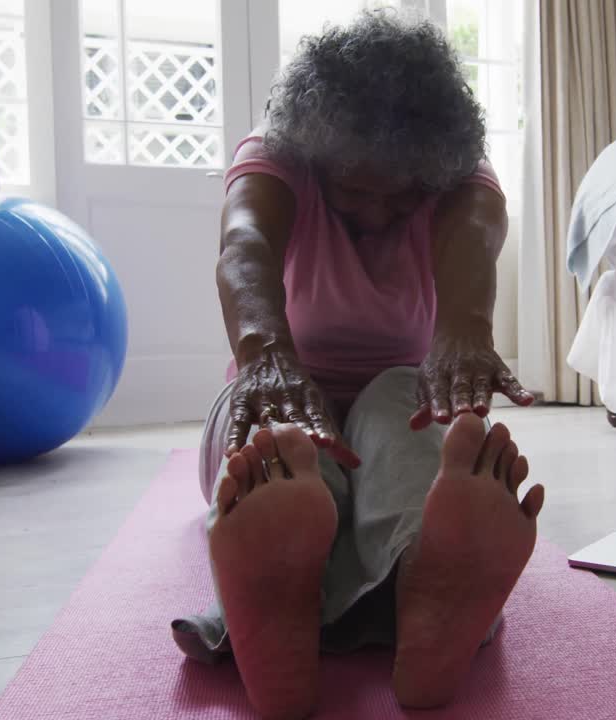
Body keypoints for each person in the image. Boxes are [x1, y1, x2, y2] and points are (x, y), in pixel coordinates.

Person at [169, 10, 546, 719]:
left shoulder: (461, 180)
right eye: (354, 189)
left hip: (393, 402)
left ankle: (351, 587)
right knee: (287, 450)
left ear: (433, 170)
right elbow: (243, 245)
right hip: (268, 393)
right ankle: (388, 587)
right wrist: (265, 357)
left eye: (403, 194)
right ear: (316, 159)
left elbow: (472, 237)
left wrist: (465, 332)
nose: (378, 212)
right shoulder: (276, 157)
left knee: (399, 403)